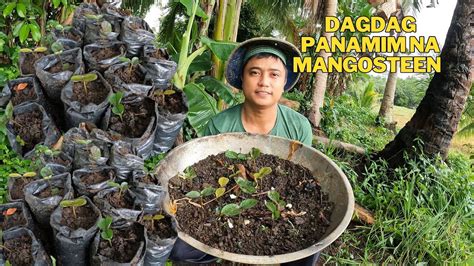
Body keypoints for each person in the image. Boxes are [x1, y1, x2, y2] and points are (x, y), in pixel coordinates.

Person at [170, 37, 319, 265]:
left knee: (310, 245)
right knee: (181, 251)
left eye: (274, 75)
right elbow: (202, 180)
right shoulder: (220, 126)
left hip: (277, 209)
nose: (264, 82)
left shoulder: (298, 127)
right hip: (222, 209)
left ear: (284, 81)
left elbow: (300, 181)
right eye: (255, 73)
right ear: (242, 78)